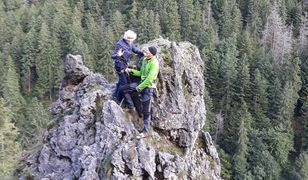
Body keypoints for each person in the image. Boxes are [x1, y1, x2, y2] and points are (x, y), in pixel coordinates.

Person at [123, 46, 160, 139]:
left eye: (147, 51)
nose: (145, 52)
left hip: (148, 88)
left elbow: (149, 79)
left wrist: (139, 88)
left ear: (151, 54)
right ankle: (132, 109)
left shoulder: (154, 64)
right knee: (125, 89)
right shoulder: (144, 60)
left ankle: (145, 131)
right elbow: (141, 74)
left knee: (146, 110)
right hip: (141, 83)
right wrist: (131, 71)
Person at [111, 30, 144, 103]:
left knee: (120, 82)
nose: (130, 40)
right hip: (120, 66)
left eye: (131, 38)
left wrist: (142, 53)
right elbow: (113, 56)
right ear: (125, 37)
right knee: (124, 84)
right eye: (128, 38)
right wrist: (118, 55)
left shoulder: (130, 43)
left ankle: (115, 95)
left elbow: (134, 49)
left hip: (125, 65)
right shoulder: (120, 44)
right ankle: (118, 100)